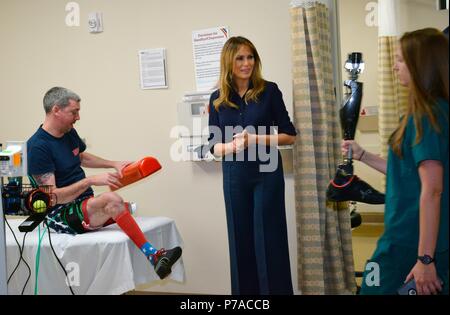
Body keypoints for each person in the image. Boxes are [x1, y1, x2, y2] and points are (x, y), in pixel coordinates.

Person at [27, 87, 182, 280]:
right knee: (112, 201)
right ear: (56, 110)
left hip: (81, 203)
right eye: (74, 112)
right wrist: (90, 180)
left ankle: (118, 211)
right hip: (58, 213)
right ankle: (154, 256)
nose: (78, 117)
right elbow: (53, 197)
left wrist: (113, 163)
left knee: (120, 207)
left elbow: (81, 156)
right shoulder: (37, 148)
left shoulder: (68, 132)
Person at [342, 28, 449, 295]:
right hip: (421, 239)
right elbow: (407, 173)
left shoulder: (426, 117)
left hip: (409, 242)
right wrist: (364, 155)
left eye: (400, 60)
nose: (394, 66)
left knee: (371, 288)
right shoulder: (434, 112)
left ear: (419, 65)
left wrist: (425, 259)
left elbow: (433, 189)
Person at [208, 36, 297, 295]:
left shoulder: (269, 91)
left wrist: (254, 139)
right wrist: (232, 147)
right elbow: (213, 146)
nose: (247, 63)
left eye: (250, 57)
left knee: (269, 239)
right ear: (229, 62)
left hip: (266, 174)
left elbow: (289, 135)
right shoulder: (217, 99)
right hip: (234, 175)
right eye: (240, 58)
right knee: (240, 242)